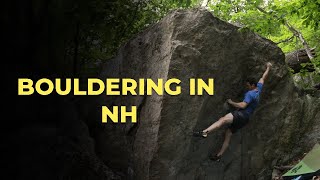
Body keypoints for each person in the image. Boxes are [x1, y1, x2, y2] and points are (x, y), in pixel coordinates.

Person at [193, 62, 273, 161]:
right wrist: (268, 67)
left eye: (248, 85)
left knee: (222, 120)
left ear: (252, 85)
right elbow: (263, 78)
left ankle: (205, 132)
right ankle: (219, 156)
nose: (247, 87)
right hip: (245, 120)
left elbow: (243, 105)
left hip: (241, 115)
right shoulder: (258, 89)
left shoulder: (250, 93)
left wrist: (231, 102)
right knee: (228, 134)